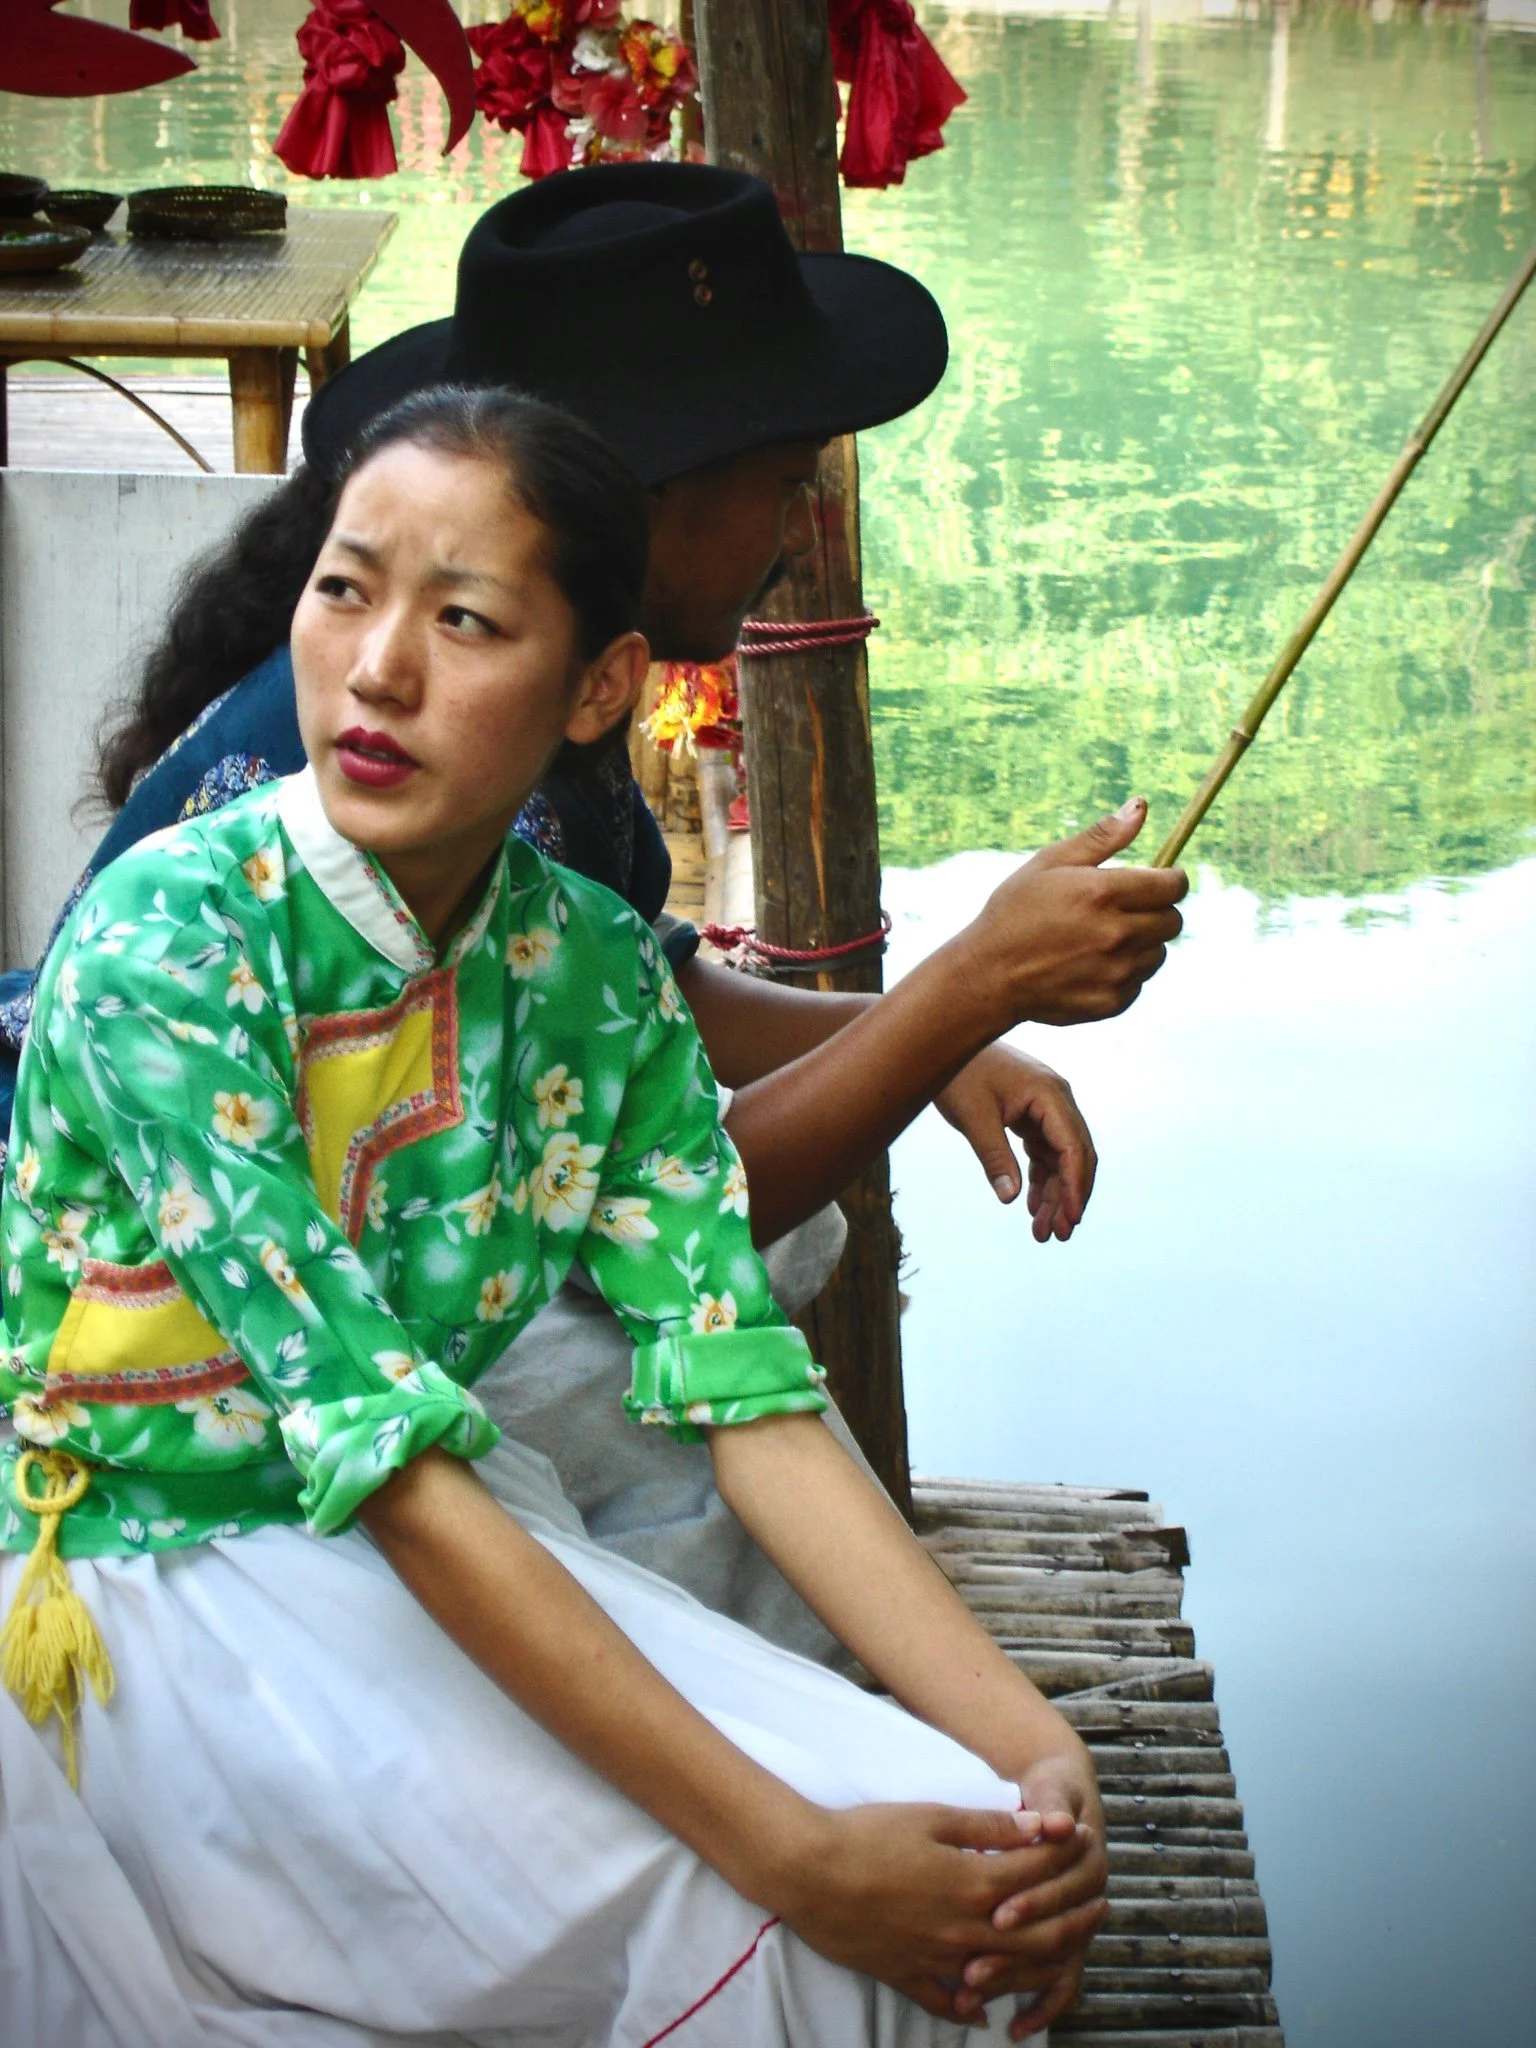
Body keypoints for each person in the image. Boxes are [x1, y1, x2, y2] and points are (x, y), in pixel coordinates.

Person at [1, 386, 1107, 2047]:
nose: (378, 670)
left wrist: (1034, 1750)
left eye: (464, 621)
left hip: (439, 1527)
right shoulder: (173, 946)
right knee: (774, 1918)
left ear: (601, 687)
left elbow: (743, 1384)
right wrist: (789, 1852)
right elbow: (384, 1456)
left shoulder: (585, 964)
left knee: (977, 1874)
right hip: (160, 1588)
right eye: (347, 589)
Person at [0, 164, 1186, 1656]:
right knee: (719, 1421)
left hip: (372, 1261)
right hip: (190, 1361)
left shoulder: (524, 725)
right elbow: (684, 1192)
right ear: (645, 500)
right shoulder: (416, 757)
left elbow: (635, 999)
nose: (795, 523)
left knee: (769, 1292)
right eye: (784, 474)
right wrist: (968, 992)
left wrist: (934, 1035)